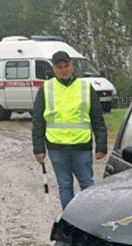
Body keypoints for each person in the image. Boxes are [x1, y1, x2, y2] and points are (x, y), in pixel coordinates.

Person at [32, 51, 107, 209]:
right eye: (60, 67)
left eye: (66, 66)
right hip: (56, 147)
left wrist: (101, 145)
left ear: (72, 65)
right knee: (65, 186)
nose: (64, 70)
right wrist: (38, 149)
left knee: (87, 185)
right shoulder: (46, 89)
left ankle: (89, 220)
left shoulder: (85, 87)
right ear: (54, 68)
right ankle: (69, 222)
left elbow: (97, 118)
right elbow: (38, 121)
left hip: (82, 146)